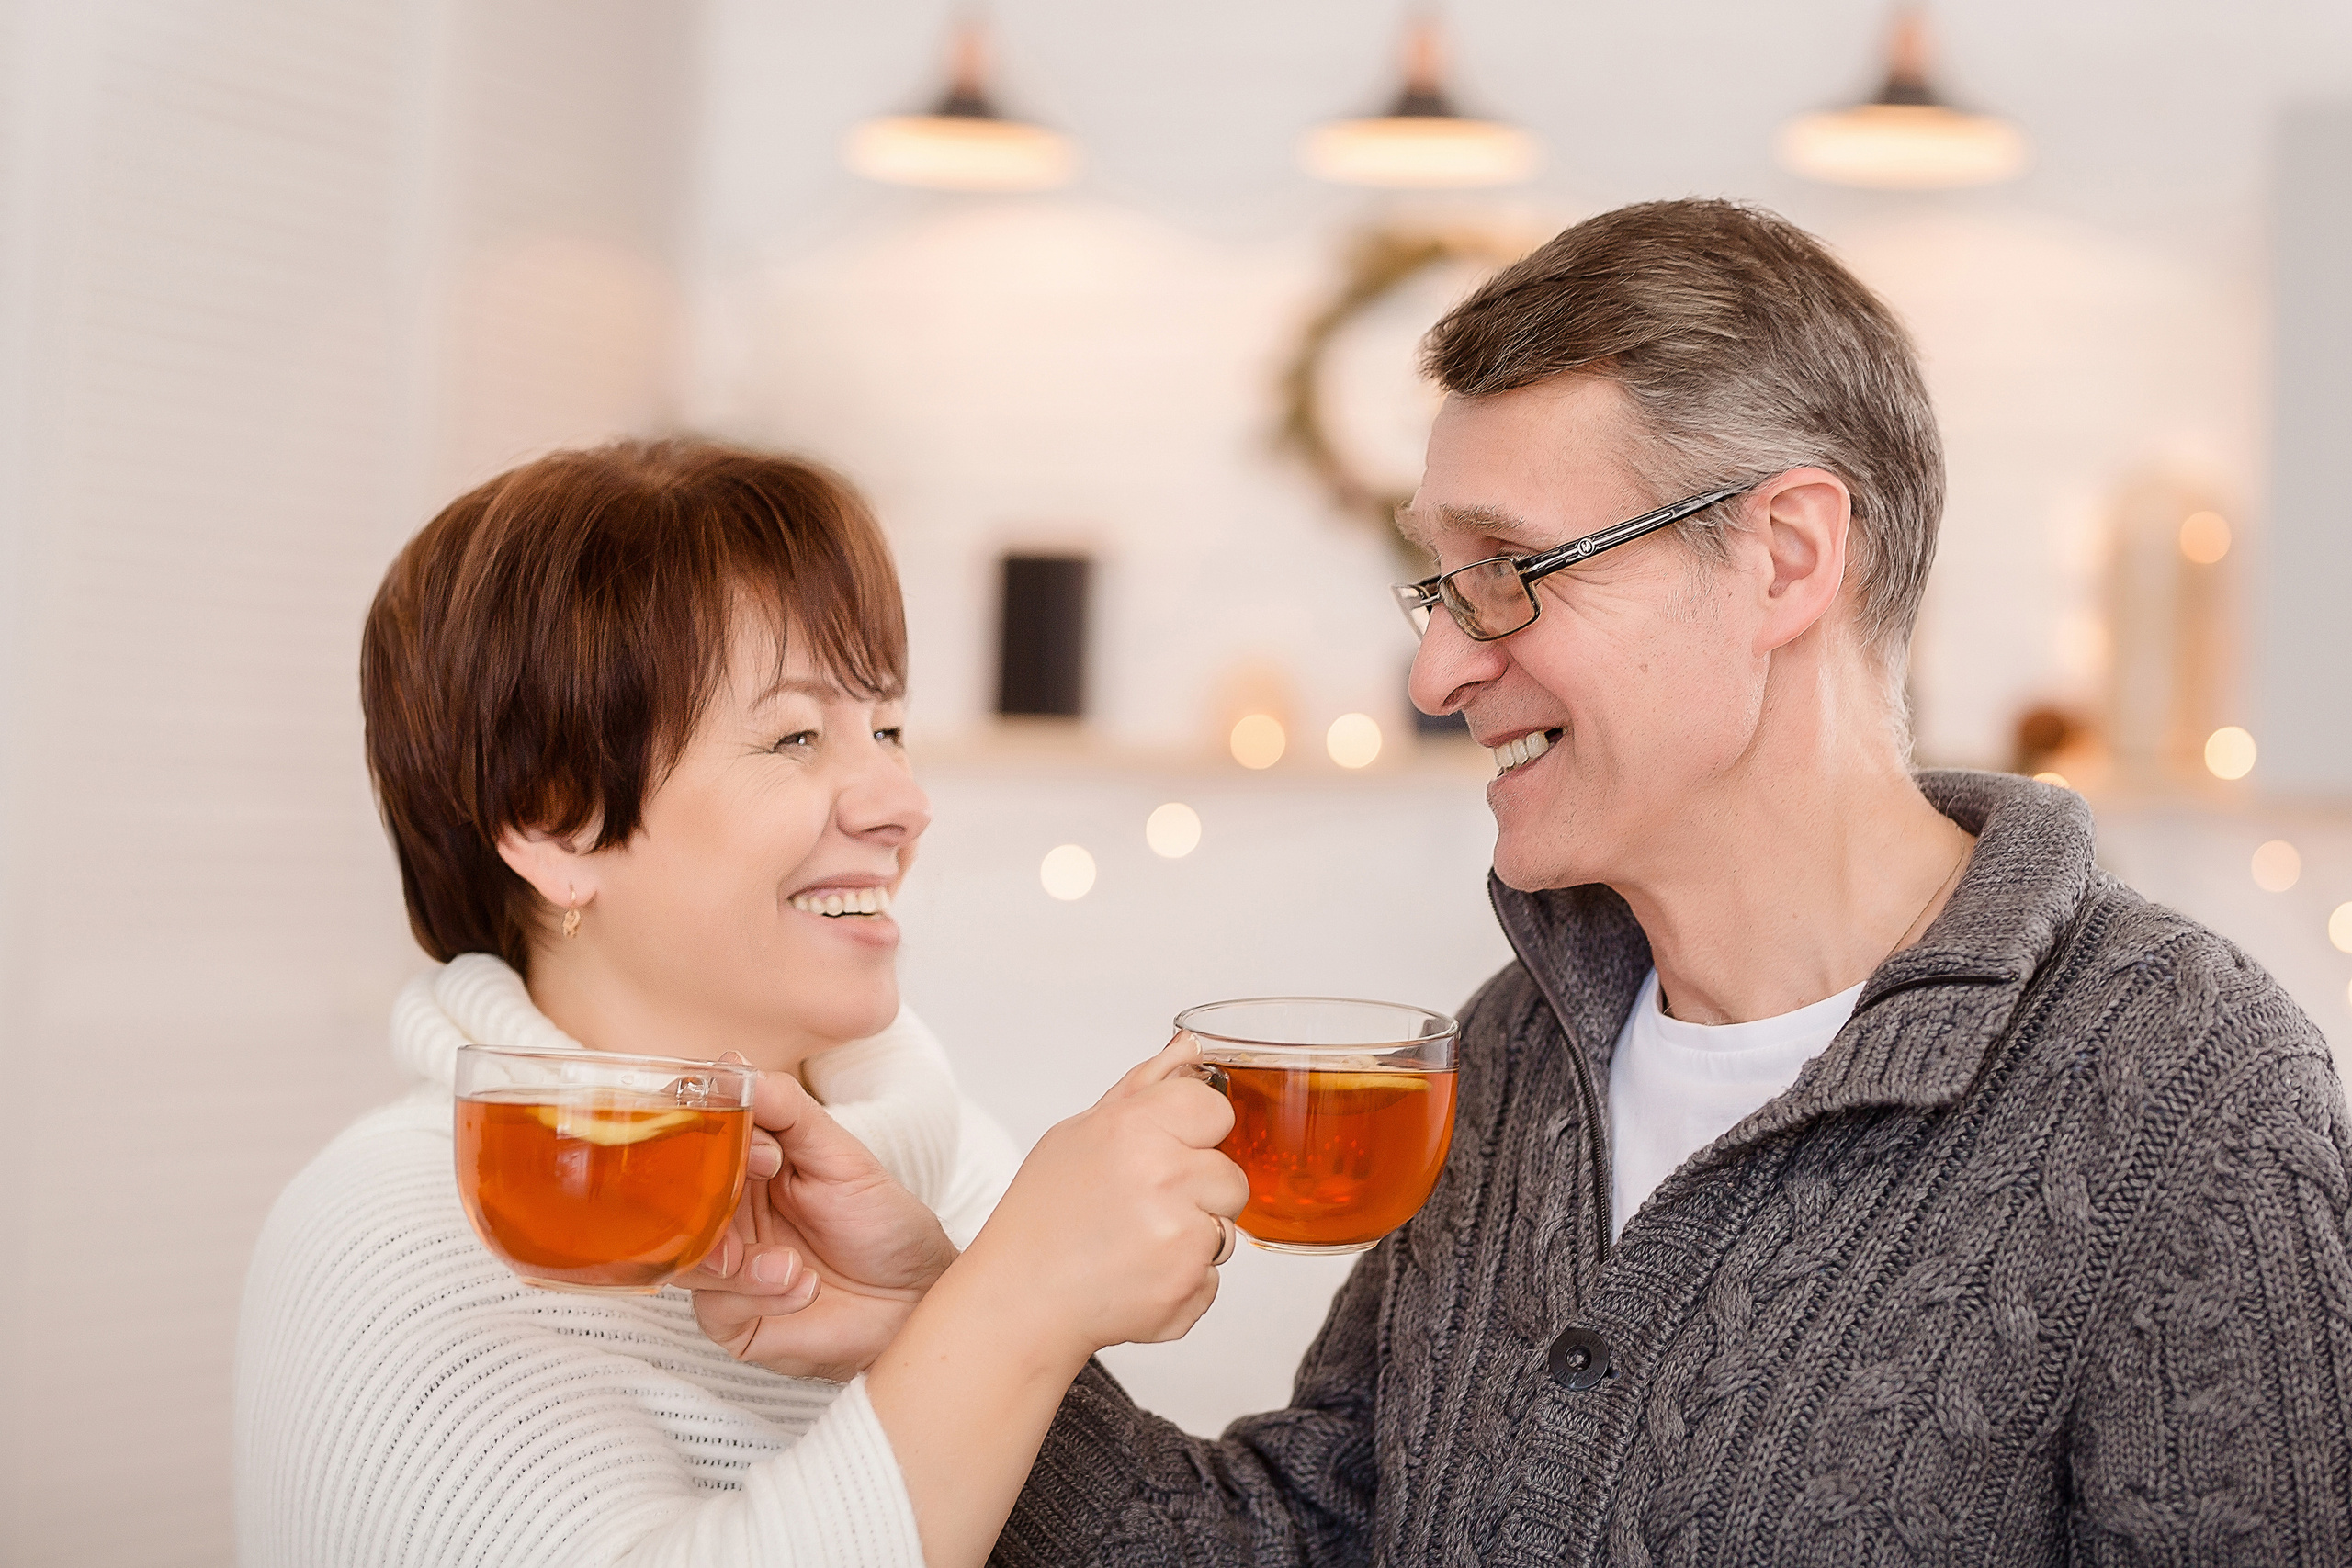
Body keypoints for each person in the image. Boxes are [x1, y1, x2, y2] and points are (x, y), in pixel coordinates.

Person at [979, 200, 2352, 1562]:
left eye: (1509, 570)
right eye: (1440, 585)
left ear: (1785, 558)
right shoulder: (1523, 1044)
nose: (1436, 671)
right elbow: (1309, 1540)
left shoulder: (2193, 1095)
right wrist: (932, 1303)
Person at [233, 440, 1247, 1568]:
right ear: (558, 822)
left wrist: (959, 1302)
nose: (901, 804)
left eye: (890, 728)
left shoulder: (962, 1173)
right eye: (796, 735)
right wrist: (1013, 1309)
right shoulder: (396, 1228)